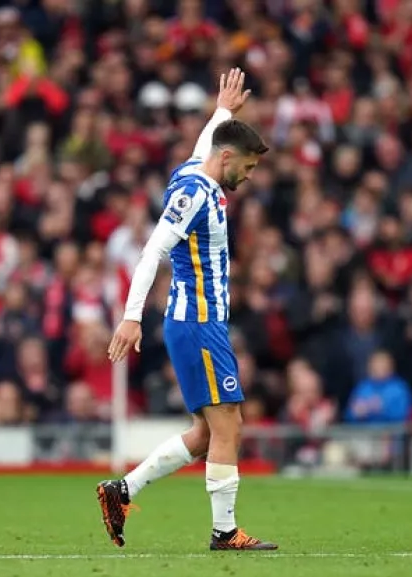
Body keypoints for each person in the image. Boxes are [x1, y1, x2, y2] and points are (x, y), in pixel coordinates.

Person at [97, 68, 277, 551]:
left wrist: (223, 111)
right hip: (196, 323)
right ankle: (224, 532)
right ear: (226, 158)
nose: (249, 175)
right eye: (248, 166)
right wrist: (133, 315)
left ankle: (122, 491)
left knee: (206, 432)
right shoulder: (193, 194)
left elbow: (204, 145)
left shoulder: (199, 172)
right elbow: (152, 250)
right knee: (228, 425)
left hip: (204, 322)